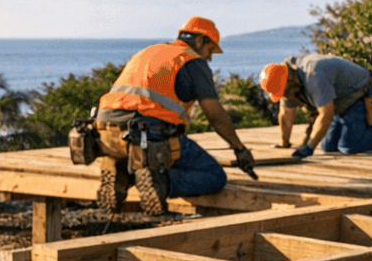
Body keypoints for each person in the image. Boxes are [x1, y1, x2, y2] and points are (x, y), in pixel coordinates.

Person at [94, 16, 257, 217]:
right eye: (210, 50)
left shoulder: (149, 52)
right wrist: (239, 149)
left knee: (142, 151)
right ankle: (160, 182)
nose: (209, 57)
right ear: (199, 41)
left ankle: (123, 174)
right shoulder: (192, 62)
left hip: (105, 133)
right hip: (147, 135)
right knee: (214, 175)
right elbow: (216, 115)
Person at [261, 53, 372, 157]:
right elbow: (286, 114)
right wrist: (284, 142)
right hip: (339, 102)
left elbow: (325, 114)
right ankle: (359, 128)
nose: (285, 97)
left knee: (348, 147)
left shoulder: (314, 75)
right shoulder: (286, 78)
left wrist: (309, 147)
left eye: (283, 92)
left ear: (289, 83)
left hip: (361, 93)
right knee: (328, 146)